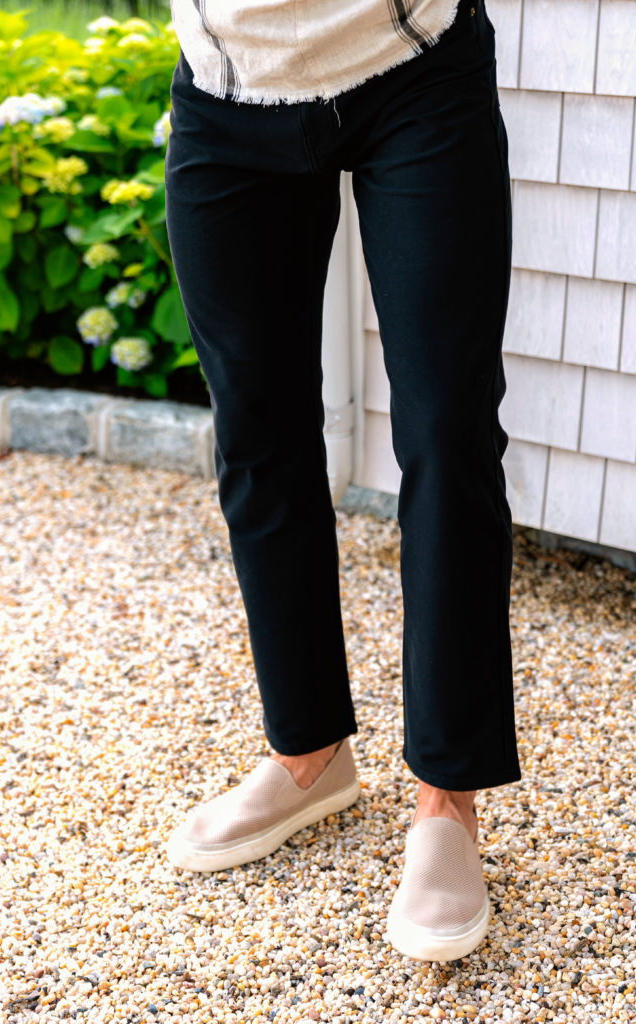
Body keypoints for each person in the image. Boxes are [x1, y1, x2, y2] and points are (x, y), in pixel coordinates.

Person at [162, 0, 521, 962]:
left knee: (446, 432)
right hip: (229, 84)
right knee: (257, 428)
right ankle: (307, 751)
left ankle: (447, 798)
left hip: (412, 65)